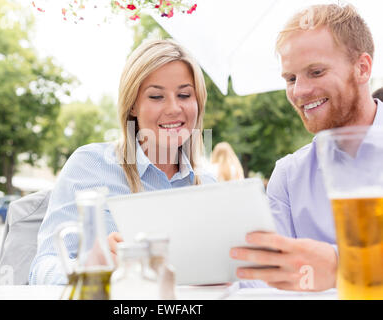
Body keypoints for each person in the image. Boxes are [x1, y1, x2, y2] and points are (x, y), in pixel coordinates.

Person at [28, 39, 215, 285]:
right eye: (156, 96)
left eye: (184, 94)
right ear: (133, 106)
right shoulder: (88, 166)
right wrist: (89, 269)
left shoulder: (210, 187)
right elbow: (42, 267)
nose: (173, 108)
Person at [230, 4, 382, 291]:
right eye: (290, 78)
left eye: (315, 72)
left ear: (362, 68)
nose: (299, 91)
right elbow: (265, 282)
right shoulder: (289, 175)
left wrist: (342, 266)